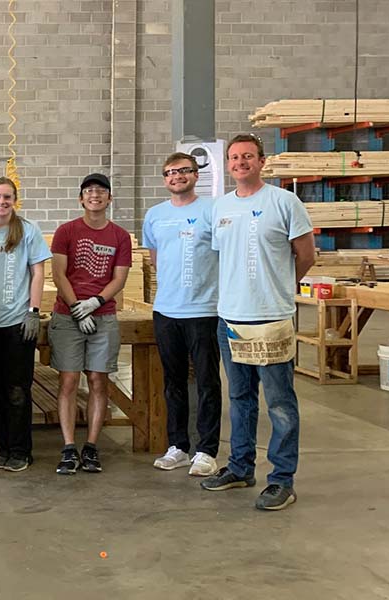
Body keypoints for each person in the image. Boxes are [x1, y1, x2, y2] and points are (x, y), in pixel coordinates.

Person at [200, 133, 315, 511]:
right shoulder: (220, 208)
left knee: (280, 402)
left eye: (247, 156)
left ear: (262, 161)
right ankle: (240, 466)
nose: (240, 163)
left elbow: (306, 256)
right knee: (240, 397)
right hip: (231, 316)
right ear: (228, 165)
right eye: (234, 158)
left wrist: (278, 289)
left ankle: (282, 479)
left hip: (271, 317)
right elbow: (223, 257)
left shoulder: (285, 202)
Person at [142, 152, 222, 477]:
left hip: (204, 311)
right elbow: (155, 258)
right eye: (170, 172)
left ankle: (207, 449)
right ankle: (178, 445)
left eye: (184, 171)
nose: (177, 177)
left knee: (206, 381)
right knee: (172, 381)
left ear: (196, 175)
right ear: (164, 179)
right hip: (166, 311)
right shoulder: (155, 215)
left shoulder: (212, 210)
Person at [48, 173, 132, 475]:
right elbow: (59, 274)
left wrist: (95, 302)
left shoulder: (120, 236)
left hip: (103, 316)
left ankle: (92, 447)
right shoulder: (66, 231)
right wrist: (76, 308)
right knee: (68, 381)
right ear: (81, 198)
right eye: (88, 191)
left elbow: (119, 278)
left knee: (98, 381)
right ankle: (69, 447)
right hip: (68, 315)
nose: (94, 195)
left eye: (101, 191)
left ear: (109, 199)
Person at [0, 177, 51, 472]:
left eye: (7, 197)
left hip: (18, 324)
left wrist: (33, 310)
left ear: (15, 200)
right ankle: (3, 446)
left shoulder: (27, 231)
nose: (1, 202)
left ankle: (20, 450)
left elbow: (38, 272)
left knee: (17, 389)